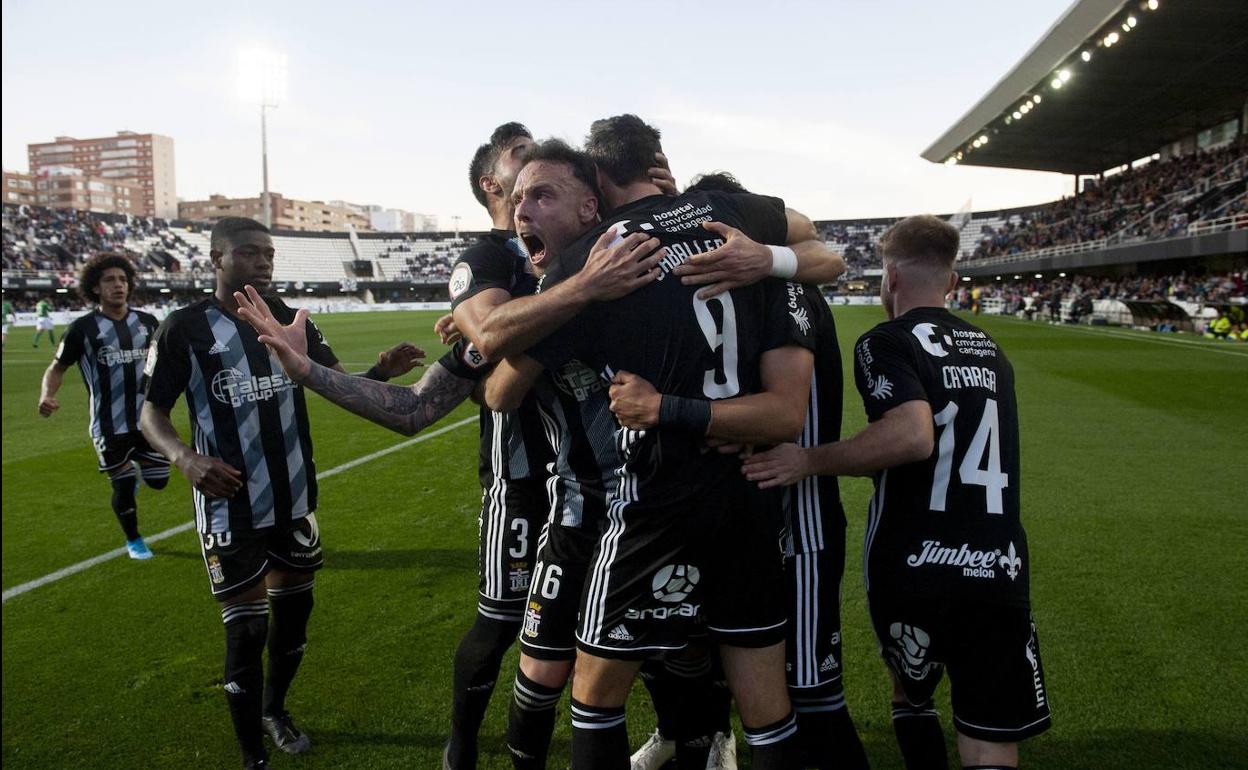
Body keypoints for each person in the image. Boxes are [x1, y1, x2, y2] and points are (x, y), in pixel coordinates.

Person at [481, 116, 844, 770]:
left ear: (595, 183)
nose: (525, 210)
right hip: (749, 494)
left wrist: (577, 292)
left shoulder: (602, 254)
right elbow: (820, 242)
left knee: (594, 694)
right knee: (765, 703)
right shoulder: (731, 219)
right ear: (657, 164)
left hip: (653, 500)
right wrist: (769, 258)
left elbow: (498, 379)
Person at [742, 215, 1052, 770]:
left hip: (919, 560)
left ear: (888, 279)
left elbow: (911, 436)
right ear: (952, 282)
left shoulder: (886, 340)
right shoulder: (988, 347)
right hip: (1000, 563)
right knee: (989, 737)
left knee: (911, 692)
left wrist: (808, 459)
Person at [139, 216, 421, 770]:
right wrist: (184, 457)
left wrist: (380, 372)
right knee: (246, 632)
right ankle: (251, 757)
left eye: (268, 253)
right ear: (216, 259)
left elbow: (336, 384)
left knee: (293, 619)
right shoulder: (184, 327)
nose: (264, 261)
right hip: (229, 502)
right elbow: (151, 410)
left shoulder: (294, 319)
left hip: (294, 497)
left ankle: (275, 710)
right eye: (248, 253)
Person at [615, 171, 868, 770]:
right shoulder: (749, 294)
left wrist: (687, 414)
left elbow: (778, 414)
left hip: (796, 523)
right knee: (711, 657)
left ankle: (726, 740)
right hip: (739, 518)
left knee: (808, 697)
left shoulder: (783, 293)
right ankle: (700, 736)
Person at [37, 253, 168, 559]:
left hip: (149, 420)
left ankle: (135, 471)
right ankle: (134, 540)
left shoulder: (147, 323)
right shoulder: (82, 329)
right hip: (108, 424)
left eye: (123, 279)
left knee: (159, 482)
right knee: (122, 487)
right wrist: (46, 395)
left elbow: (168, 361)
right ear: (95, 287)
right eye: (109, 280)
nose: (118, 285)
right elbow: (57, 368)